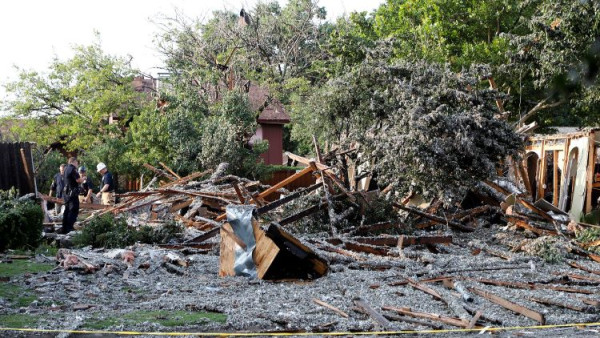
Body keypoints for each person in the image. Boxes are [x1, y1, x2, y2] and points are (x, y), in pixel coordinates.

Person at [62, 157, 84, 234]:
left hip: (66, 193)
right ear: (74, 162)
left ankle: (64, 228)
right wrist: (83, 178)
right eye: (77, 163)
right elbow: (78, 180)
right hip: (72, 194)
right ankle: (69, 228)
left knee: (67, 210)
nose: (77, 164)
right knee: (73, 209)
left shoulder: (65, 169)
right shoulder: (73, 169)